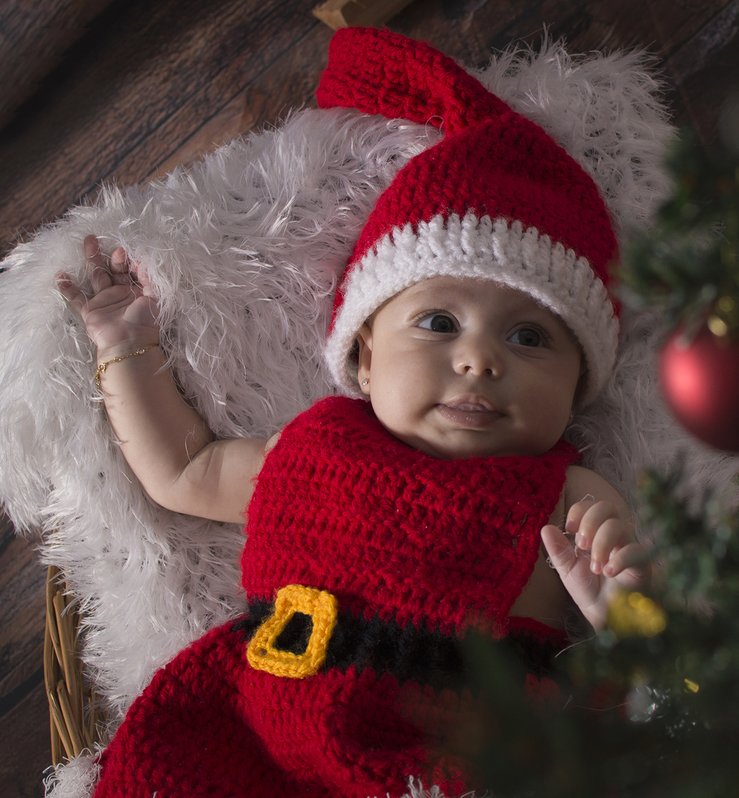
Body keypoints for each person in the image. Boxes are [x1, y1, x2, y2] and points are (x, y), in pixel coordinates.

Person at [57, 27, 648, 798]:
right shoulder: (314, 450)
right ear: (363, 359)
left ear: (577, 390)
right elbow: (183, 468)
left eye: (530, 336)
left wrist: (624, 610)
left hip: (471, 752)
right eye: (438, 323)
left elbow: (647, 648)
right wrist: (124, 343)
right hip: (265, 739)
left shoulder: (568, 496)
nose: (479, 360)